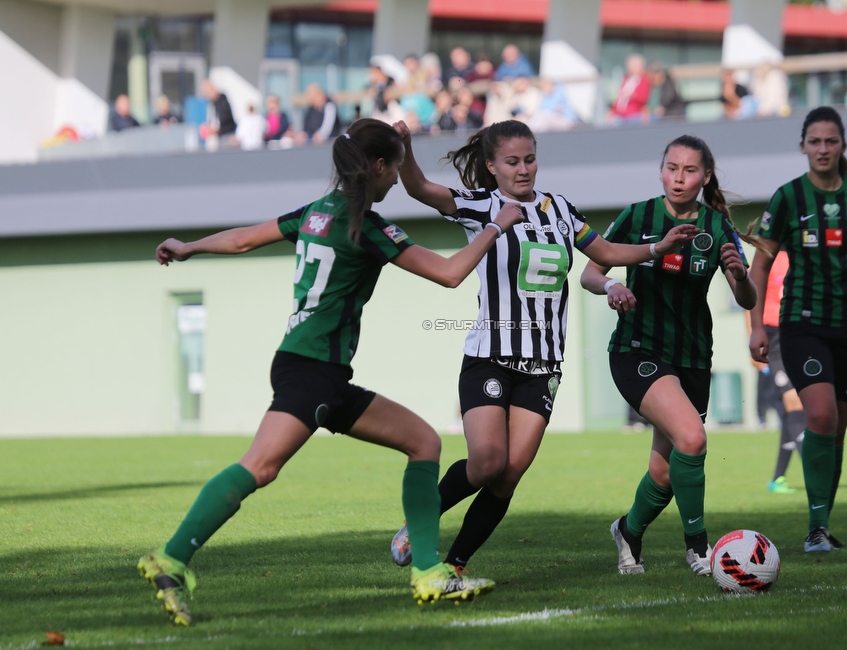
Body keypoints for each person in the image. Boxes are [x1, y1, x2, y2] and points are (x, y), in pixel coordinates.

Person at [137, 119, 523, 626]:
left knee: (424, 442)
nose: (393, 180)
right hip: (313, 370)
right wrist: (497, 225)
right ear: (379, 167)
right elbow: (450, 274)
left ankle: (429, 572)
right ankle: (171, 558)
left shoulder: (317, 213)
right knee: (260, 466)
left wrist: (189, 247)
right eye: (392, 168)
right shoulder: (371, 227)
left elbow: (243, 241)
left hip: (316, 369)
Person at [387, 119, 696, 573]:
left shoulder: (561, 209)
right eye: (512, 162)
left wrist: (657, 248)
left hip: (544, 365)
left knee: (509, 474)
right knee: (487, 461)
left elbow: (606, 253)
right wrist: (406, 148)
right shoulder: (481, 205)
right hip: (490, 356)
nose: (524, 169)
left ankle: (455, 566)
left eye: (530, 159)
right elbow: (418, 189)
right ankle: (420, 519)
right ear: (491, 166)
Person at [579, 135, 760, 577]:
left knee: (665, 471)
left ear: (705, 176)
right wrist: (612, 286)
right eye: (672, 168)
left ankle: (628, 531)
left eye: (690, 170)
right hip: (636, 349)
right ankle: (699, 548)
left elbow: (748, 298)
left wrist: (739, 276)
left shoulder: (717, 226)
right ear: (661, 171)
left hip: (693, 357)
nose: (680, 178)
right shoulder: (638, 216)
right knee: (694, 440)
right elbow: (590, 272)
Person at [748, 106, 847, 553]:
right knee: (821, 416)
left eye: (830, 141)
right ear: (803, 146)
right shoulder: (788, 197)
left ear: (842, 146)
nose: (823, 149)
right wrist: (756, 325)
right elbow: (761, 263)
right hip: (802, 325)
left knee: (837, 429)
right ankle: (815, 530)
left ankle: (823, 524)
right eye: (815, 141)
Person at [746, 250, 805, 494]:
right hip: (772, 336)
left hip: (797, 334)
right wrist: (752, 337)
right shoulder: (767, 257)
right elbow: (748, 300)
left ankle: (777, 478)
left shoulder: (801, 255)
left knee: (793, 411)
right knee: (794, 402)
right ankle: (815, 472)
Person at [608, 55, 651, 123]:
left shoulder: (644, 80)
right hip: (620, 115)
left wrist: (632, 95)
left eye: (634, 65)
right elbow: (618, 97)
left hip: (633, 116)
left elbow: (643, 98)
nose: (631, 67)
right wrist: (612, 110)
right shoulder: (626, 78)